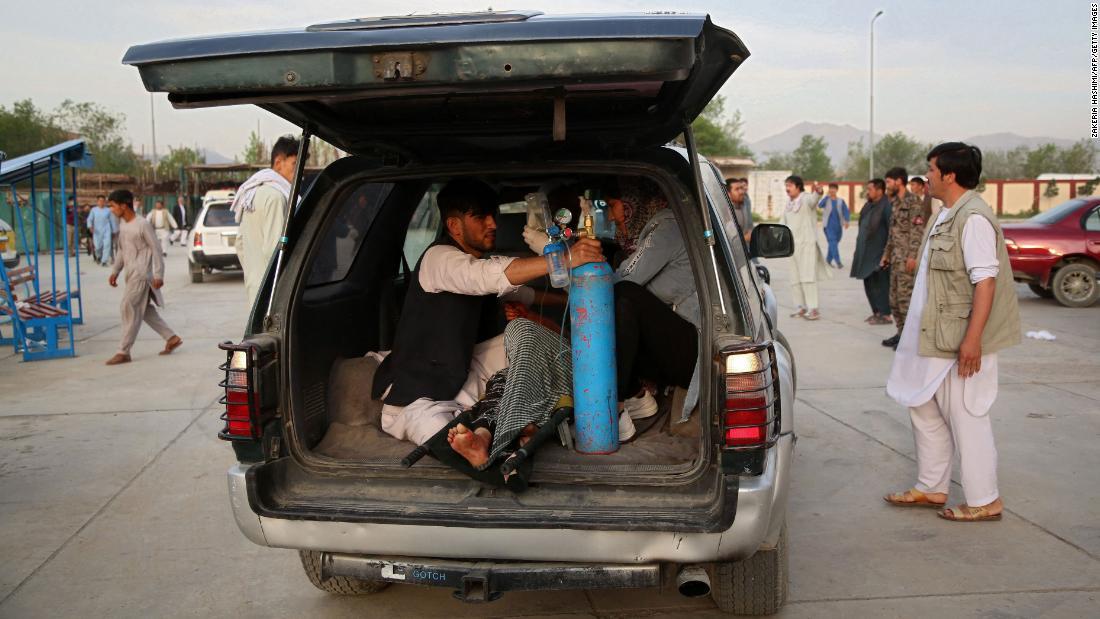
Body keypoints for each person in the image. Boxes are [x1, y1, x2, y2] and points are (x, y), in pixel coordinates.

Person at [371, 178, 604, 452]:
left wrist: (571, 297)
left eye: (493, 216)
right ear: (454, 226)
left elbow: (522, 294)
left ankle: (501, 425)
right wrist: (563, 259)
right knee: (434, 429)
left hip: (463, 369)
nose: (493, 224)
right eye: (481, 217)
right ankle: (491, 435)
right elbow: (486, 277)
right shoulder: (439, 259)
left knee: (529, 339)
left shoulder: (474, 261)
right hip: (418, 385)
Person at [884, 143, 1020, 522]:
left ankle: (984, 499)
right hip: (935, 335)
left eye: (930, 169)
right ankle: (931, 487)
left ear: (949, 175)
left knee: (966, 414)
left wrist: (973, 340)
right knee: (922, 404)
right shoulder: (944, 214)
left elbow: (986, 282)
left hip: (961, 337)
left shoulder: (973, 218)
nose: (925, 176)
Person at [104, 189, 182, 365]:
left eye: (113, 206)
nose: (111, 209)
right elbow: (122, 251)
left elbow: (156, 249)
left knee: (128, 307)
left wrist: (158, 274)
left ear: (124, 205)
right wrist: (115, 271)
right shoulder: (123, 225)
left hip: (141, 276)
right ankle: (171, 337)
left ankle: (123, 351)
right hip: (129, 275)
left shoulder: (142, 224)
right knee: (144, 311)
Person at [233, 135, 309, 306]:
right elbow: (274, 250)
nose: (300, 172)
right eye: (295, 164)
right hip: (273, 293)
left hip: (255, 286)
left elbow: (240, 244)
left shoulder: (251, 193)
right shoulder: (276, 197)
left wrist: (254, 272)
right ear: (278, 162)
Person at [881, 168, 927, 349]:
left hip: (907, 259)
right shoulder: (894, 203)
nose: (887, 186)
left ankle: (910, 339)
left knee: (905, 301)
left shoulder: (913, 201)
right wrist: (886, 255)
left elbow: (917, 231)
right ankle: (901, 334)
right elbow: (893, 233)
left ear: (899, 181)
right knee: (893, 300)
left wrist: (913, 256)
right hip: (895, 258)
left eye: (889, 182)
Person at [780, 176, 828, 320]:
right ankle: (800, 307)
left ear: (798, 186)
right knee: (794, 278)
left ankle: (813, 309)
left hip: (807, 245)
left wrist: (819, 192)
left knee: (808, 277)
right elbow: (782, 223)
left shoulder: (806, 199)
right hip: (792, 246)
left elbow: (814, 200)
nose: (787, 188)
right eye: (786, 185)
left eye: (790, 185)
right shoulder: (788, 203)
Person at [851, 179, 893, 325]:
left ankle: (885, 314)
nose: (867, 192)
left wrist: (886, 255)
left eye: (870, 189)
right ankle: (876, 312)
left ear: (880, 190)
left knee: (880, 285)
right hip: (865, 253)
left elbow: (891, 232)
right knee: (868, 283)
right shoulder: (869, 206)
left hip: (879, 254)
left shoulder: (887, 206)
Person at [817, 182, 850, 268]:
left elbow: (845, 211)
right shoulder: (826, 200)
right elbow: (820, 205)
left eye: (834, 188)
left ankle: (828, 260)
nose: (832, 190)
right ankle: (838, 261)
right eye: (830, 188)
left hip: (838, 226)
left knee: (834, 243)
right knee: (833, 242)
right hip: (828, 226)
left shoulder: (841, 201)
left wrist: (847, 221)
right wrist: (826, 196)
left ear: (836, 190)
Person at [87, 195, 115, 266]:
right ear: (97, 202)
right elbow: (89, 219)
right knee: (98, 247)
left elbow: (112, 220)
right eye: (100, 201)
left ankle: (104, 261)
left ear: (105, 202)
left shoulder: (108, 210)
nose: (101, 202)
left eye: (103, 201)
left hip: (106, 229)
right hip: (97, 230)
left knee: (107, 245)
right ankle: (98, 257)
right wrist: (90, 227)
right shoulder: (94, 210)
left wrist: (114, 230)